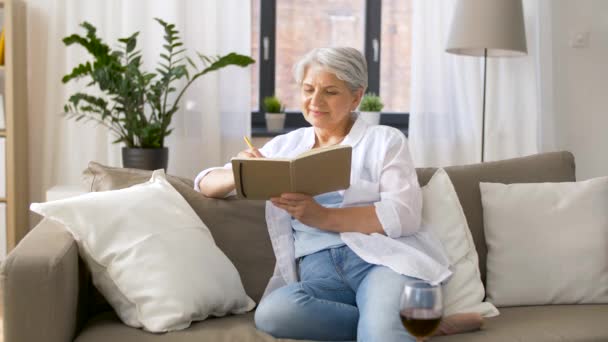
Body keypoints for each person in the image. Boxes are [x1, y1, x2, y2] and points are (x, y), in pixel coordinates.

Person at [194, 47, 475, 341]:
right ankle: (409, 324)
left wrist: (323, 216)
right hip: (320, 274)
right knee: (273, 313)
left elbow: (404, 215)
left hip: (379, 264)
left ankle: (390, 325)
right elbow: (204, 183)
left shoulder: (385, 141)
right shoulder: (284, 146)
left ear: (356, 96)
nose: (315, 101)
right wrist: (239, 171)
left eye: (330, 92)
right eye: (308, 89)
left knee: (380, 333)